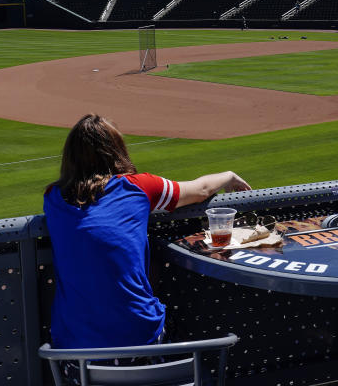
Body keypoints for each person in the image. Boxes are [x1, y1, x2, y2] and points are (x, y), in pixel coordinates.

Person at [43, 114, 250, 352]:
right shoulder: (137, 186)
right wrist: (229, 176)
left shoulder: (52, 198)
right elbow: (201, 189)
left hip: (74, 356)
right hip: (142, 343)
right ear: (116, 150)